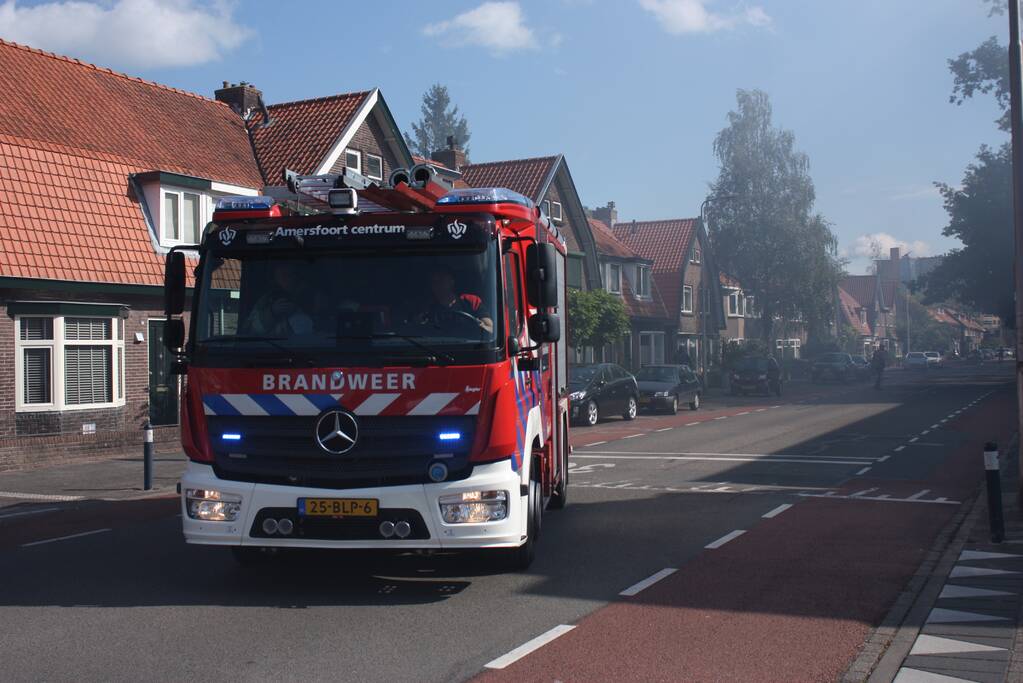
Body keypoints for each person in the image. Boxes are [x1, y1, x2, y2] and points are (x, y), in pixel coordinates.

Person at [244, 261, 318, 336]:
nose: (286, 279)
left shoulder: (312, 297)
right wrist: (272, 313)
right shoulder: (266, 300)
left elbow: (318, 331)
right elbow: (249, 331)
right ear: (275, 279)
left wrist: (297, 309)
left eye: (290, 275)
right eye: (282, 275)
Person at [415, 267, 493, 334]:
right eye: (434, 281)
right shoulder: (427, 307)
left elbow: (490, 329)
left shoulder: (472, 301)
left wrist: (477, 325)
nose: (438, 284)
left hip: (472, 345)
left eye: (442, 279)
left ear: (451, 281)